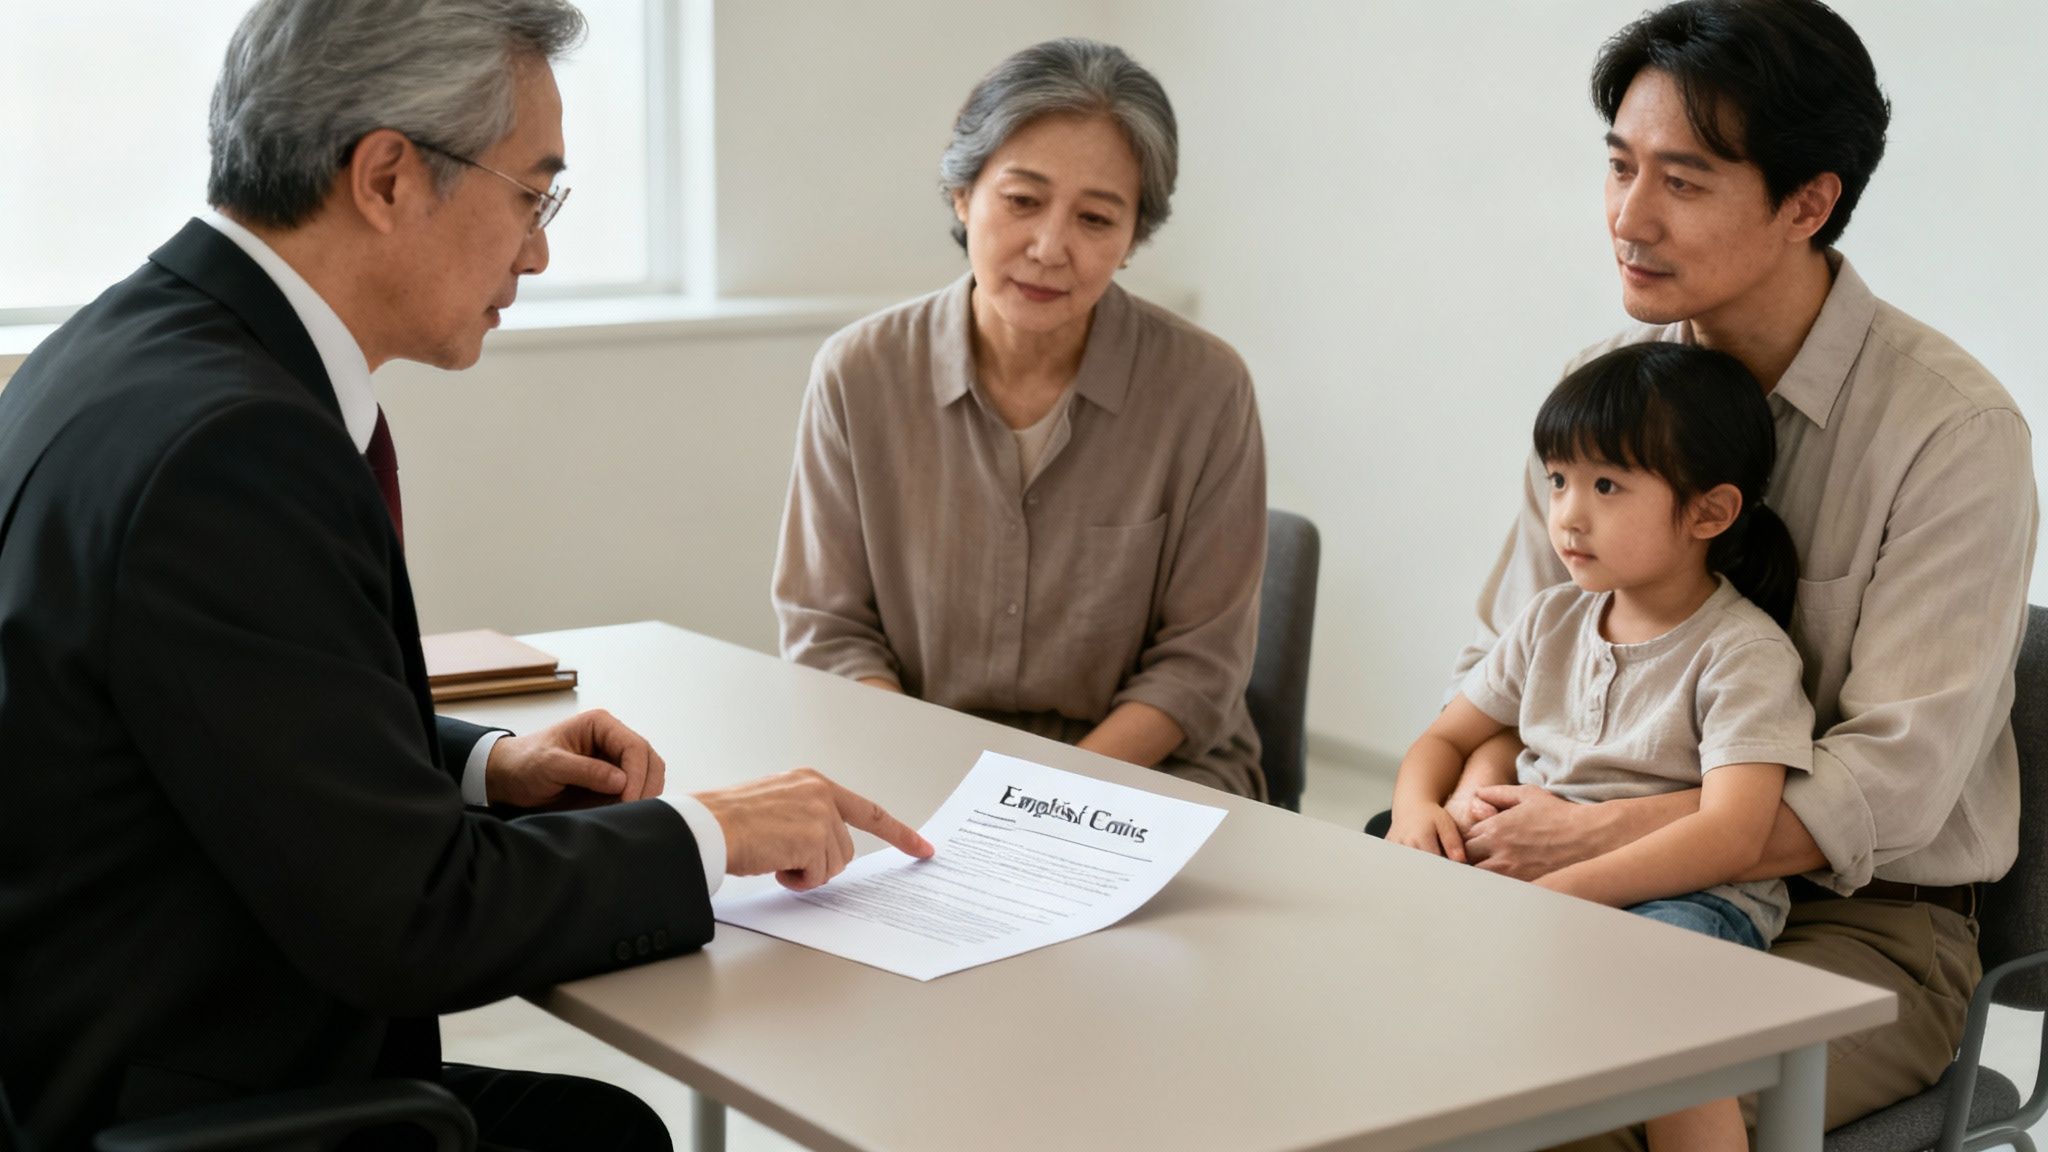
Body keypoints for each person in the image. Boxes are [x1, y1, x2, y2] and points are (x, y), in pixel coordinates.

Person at [0, 2, 930, 1149]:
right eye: (531, 194)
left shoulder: (119, 348)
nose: (537, 249)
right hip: (183, 1096)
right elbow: (415, 923)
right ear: (387, 177)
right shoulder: (232, 450)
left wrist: (488, 767)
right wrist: (711, 832)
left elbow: (233, 718)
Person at [1436, 0, 2037, 1142]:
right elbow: (1507, 662)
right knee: (1384, 1051)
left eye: (1682, 180)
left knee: (1555, 1111)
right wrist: (1480, 801)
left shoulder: (1949, 433)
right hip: (1588, 878)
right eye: (1617, 167)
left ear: (1806, 201)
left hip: (1862, 927)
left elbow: (1888, 787)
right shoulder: (1600, 393)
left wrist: (1594, 836)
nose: (1626, 216)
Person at [772, 39, 1270, 799]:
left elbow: (1201, 663)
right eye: (1022, 200)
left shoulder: (1206, 390)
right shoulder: (859, 374)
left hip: (1142, 781)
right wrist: (940, 787)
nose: (1048, 247)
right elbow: (828, 633)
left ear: (1134, 239)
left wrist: (1033, 801)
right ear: (962, 194)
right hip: (917, 770)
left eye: (1097, 218)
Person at [1393, 342, 1812, 1151]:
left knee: (1665, 1005)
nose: (1567, 515)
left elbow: (1734, 833)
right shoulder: (1552, 619)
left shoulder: (1742, 653)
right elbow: (1447, 736)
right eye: (1558, 480)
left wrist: (1561, 896)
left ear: (1709, 513)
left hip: (1689, 898)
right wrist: (1418, 811)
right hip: (1539, 869)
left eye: (1607, 485)